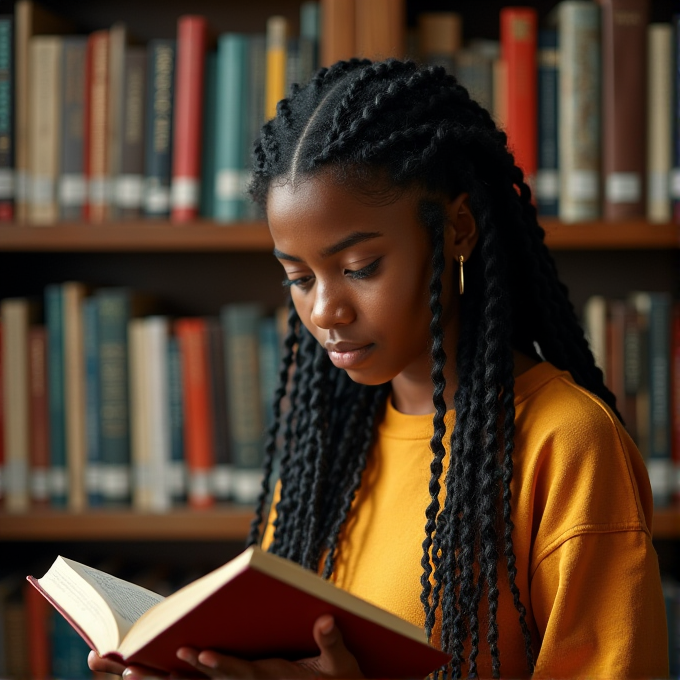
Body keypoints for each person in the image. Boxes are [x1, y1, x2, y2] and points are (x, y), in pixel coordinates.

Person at [89, 58, 669, 679]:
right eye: (299, 277)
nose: (325, 310)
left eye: (360, 267)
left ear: (457, 229)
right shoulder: (330, 449)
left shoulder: (567, 445)